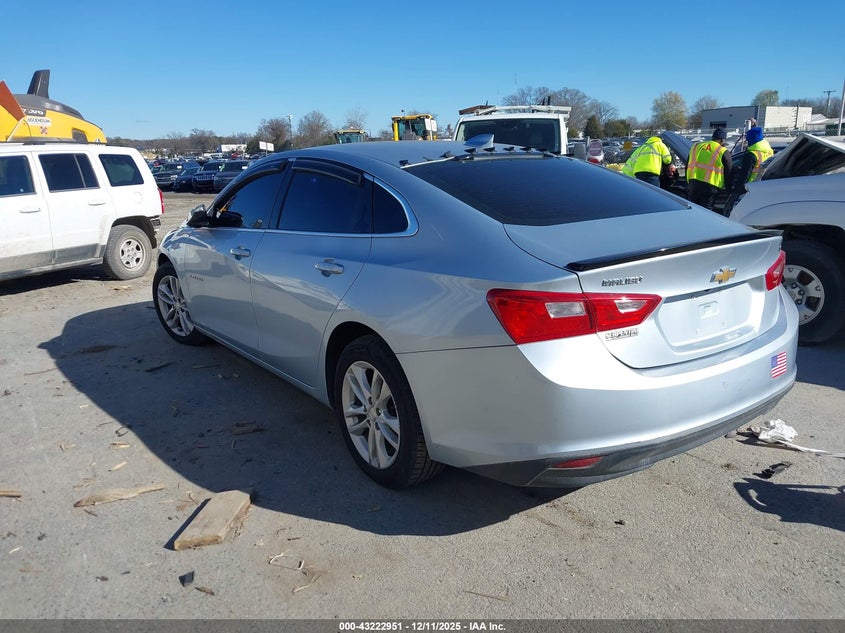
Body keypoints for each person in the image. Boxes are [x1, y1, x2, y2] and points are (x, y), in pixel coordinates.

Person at [687, 128, 732, 211]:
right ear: (722, 140)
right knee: (706, 211)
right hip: (710, 187)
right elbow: (729, 171)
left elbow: (688, 163)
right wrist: (729, 188)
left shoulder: (696, 146)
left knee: (692, 209)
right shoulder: (722, 151)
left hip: (693, 183)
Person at [730, 126, 774, 191]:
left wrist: (737, 188)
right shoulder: (769, 151)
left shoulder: (751, 155)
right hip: (764, 185)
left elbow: (745, 175)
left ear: (751, 140)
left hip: (750, 188)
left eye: (748, 140)